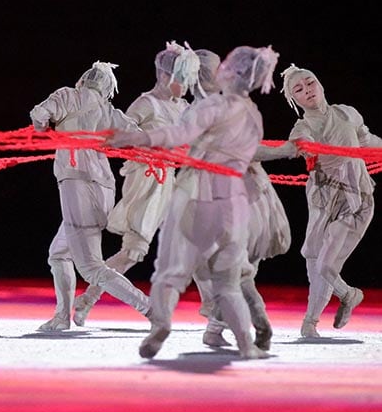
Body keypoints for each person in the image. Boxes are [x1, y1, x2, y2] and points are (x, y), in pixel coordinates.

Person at [107, 45, 280, 360]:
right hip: (235, 197)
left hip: (199, 191)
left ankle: (160, 325)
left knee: (171, 270)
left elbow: (177, 135)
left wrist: (136, 138)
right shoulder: (252, 113)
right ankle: (246, 343)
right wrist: (286, 151)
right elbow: (251, 153)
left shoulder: (210, 107)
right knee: (228, 279)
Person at [71, 42, 195, 326]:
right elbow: (116, 134)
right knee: (133, 251)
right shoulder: (146, 103)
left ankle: (215, 311)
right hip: (148, 178)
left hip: (175, 179)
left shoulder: (185, 106)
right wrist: (148, 147)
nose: (189, 84)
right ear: (166, 76)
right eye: (184, 77)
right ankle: (88, 299)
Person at [254, 64, 378, 338]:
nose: (307, 90)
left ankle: (345, 296)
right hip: (323, 198)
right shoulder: (303, 127)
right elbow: (292, 147)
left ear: (320, 84)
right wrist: (247, 153)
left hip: (355, 198)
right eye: (299, 89)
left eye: (310, 83)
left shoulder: (348, 113)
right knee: (313, 261)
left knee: (325, 262)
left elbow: (368, 141)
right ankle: (314, 320)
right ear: (294, 100)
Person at [29, 61, 150, 331]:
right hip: (105, 188)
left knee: (91, 267)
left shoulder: (68, 96)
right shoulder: (109, 110)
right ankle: (62, 317)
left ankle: (151, 309)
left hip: (76, 184)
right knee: (58, 253)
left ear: (83, 79)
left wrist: (45, 128)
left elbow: (38, 114)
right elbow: (139, 136)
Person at [191, 49, 288, 351]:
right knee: (237, 265)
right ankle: (259, 325)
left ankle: (217, 328)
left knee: (245, 265)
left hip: (250, 188)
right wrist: (284, 151)